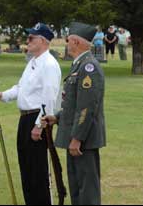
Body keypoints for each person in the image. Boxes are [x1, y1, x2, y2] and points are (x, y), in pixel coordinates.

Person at [0, 22, 61, 205]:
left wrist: (40, 124)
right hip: (25, 118)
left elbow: (49, 97)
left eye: (31, 38)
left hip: (38, 119)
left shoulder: (49, 64)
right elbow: (21, 88)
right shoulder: (33, 62)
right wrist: (2, 95)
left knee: (38, 170)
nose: (27, 41)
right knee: (26, 168)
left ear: (43, 41)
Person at [41, 22, 106, 205]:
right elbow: (74, 105)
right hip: (76, 135)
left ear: (76, 42)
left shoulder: (88, 67)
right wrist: (57, 118)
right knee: (76, 186)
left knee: (87, 189)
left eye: (68, 40)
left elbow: (86, 107)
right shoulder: (79, 65)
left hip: (83, 139)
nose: (66, 44)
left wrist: (77, 138)